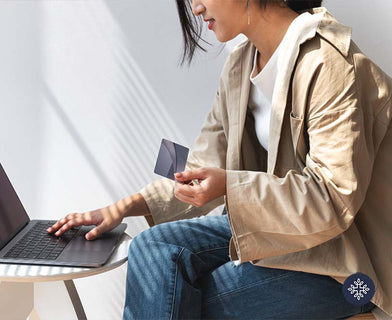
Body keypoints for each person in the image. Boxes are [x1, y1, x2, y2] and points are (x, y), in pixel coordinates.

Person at [48, 0, 392, 318]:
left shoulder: (327, 61)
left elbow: (331, 200)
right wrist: (120, 208)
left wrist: (230, 184)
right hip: (281, 237)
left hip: (348, 268)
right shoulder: (241, 64)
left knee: (178, 296)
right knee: (150, 248)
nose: (196, 8)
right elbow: (201, 164)